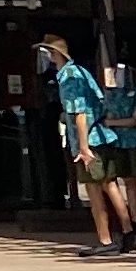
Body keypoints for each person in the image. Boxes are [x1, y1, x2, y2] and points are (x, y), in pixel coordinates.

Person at [40, 35, 122, 257]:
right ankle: (128, 231)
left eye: (49, 52)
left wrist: (83, 148)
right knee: (110, 184)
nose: (47, 56)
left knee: (94, 191)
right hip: (102, 135)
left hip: (88, 140)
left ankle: (105, 240)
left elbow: (79, 113)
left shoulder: (69, 78)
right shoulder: (82, 72)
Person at [97, 63, 136, 244]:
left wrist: (115, 123)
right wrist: (117, 122)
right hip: (119, 142)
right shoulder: (110, 95)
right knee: (129, 182)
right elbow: (106, 117)